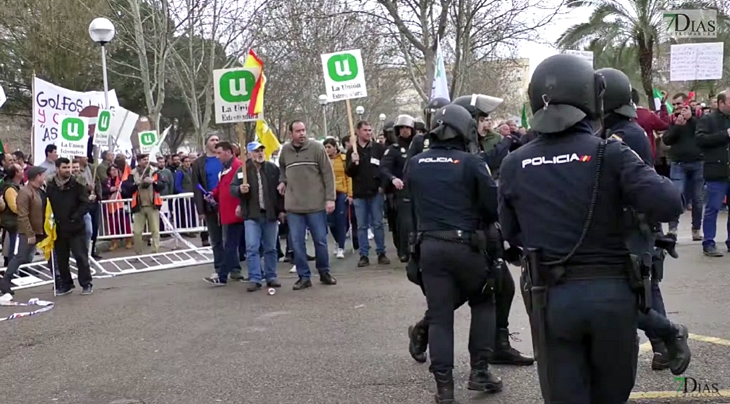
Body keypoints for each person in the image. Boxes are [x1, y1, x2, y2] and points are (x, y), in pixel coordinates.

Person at [499, 54, 684, 403]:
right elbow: (669, 203)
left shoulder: (514, 162)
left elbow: (511, 233)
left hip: (551, 298)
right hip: (612, 296)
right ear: (591, 97)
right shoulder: (610, 153)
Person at [405, 104, 502, 402]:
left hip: (429, 247)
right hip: (467, 246)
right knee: (484, 301)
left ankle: (444, 388)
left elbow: (409, 207)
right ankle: (480, 371)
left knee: (440, 317)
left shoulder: (415, 163)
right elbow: (491, 207)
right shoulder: (471, 163)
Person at [598, 68, 691, 375]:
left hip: (634, 224)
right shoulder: (613, 131)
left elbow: (638, 185)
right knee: (642, 287)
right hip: (621, 224)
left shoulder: (626, 133)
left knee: (640, 288)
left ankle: (666, 339)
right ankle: (664, 344)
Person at [278, 120, 337, 290]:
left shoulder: (317, 148)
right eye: (298, 131)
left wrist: (330, 198)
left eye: (303, 130)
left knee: (320, 241)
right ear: (291, 134)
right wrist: (282, 181)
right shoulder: (286, 150)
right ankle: (304, 277)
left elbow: (328, 173)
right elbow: (282, 168)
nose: (302, 134)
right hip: (294, 205)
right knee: (297, 243)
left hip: (316, 204)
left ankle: (324, 272)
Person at [231, 141, 284, 291]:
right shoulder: (243, 170)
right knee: (252, 247)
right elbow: (232, 189)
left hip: (270, 214)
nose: (259, 153)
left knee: (271, 247)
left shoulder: (272, 168)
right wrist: (240, 189)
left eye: (261, 150)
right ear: (248, 154)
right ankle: (255, 278)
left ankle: (271, 276)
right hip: (251, 215)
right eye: (256, 151)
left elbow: (279, 192)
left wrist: (281, 210)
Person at [46, 157, 94, 295]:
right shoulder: (51, 186)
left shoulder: (77, 184)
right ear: (57, 169)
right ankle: (66, 284)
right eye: (64, 168)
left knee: (80, 256)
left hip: (76, 227)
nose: (67, 170)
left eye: (69, 167)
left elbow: (85, 203)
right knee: (62, 259)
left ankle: (86, 283)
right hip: (59, 228)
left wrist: (75, 217)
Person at [345, 122, 390, 266]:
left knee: (377, 223)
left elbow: (385, 168)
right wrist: (353, 162)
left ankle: (381, 252)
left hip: (376, 192)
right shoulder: (352, 150)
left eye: (370, 130)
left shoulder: (378, 148)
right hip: (359, 193)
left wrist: (383, 186)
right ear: (357, 132)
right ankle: (364, 255)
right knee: (362, 226)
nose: (368, 133)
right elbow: (348, 172)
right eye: (365, 130)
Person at [0, 166, 47, 296]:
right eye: (43, 175)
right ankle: (5, 281)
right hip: (29, 230)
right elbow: (22, 215)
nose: (44, 178)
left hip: (42, 229)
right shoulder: (24, 192)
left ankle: (59, 277)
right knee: (20, 256)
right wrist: (29, 233)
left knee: (52, 251)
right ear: (37, 177)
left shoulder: (40, 191)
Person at [203, 142, 243, 286]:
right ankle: (226, 274)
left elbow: (243, 188)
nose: (217, 156)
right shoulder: (225, 169)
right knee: (232, 245)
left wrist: (240, 205)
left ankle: (222, 275)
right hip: (227, 213)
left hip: (236, 213)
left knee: (231, 246)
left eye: (219, 153)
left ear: (228, 152)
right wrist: (212, 195)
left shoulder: (237, 167)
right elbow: (220, 188)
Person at [696, 91, 730, 257]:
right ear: (721, 103)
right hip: (716, 171)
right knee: (713, 208)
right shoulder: (708, 119)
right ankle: (709, 242)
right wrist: (726, 135)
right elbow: (701, 140)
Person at [662, 102, 703, 240]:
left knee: (697, 199)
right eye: (676, 106)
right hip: (678, 164)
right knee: (676, 196)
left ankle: (696, 229)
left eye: (682, 106)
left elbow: (702, 134)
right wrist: (677, 126)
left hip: (698, 163)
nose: (679, 109)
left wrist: (691, 119)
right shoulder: (674, 123)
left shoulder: (698, 121)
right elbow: (666, 140)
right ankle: (673, 228)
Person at [381, 114, 416, 262]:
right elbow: (384, 168)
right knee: (404, 223)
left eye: (408, 127)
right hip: (402, 191)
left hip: (419, 189)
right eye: (402, 127)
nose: (405, 130)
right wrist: (393, 179)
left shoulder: (418, 146)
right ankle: (404, 251)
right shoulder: (394, 149)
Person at [123, 154, 165, 255]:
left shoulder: (154, 171)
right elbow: (126, 187)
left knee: (155, 230)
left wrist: (153, 182)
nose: (146, 161)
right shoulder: (133, 173)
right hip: (139, 206)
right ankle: (138, 252)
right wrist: (136, 184)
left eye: (147, 159)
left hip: (152, 205)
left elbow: (162, 185)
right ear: (138, 161)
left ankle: (156, 252)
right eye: (144, 159)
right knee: (137, 232)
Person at [192, 134, 223, 261]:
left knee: (229, 237)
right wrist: (200, 210)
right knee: (215, 238)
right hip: (210, 204)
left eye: (217, 140)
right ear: (206, 144)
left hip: (226, 203)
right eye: (212, 140)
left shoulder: (224, 159)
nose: (215, 142)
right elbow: (196, 186)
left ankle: (234, 266)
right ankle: (219, 265)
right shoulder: (199, 163)